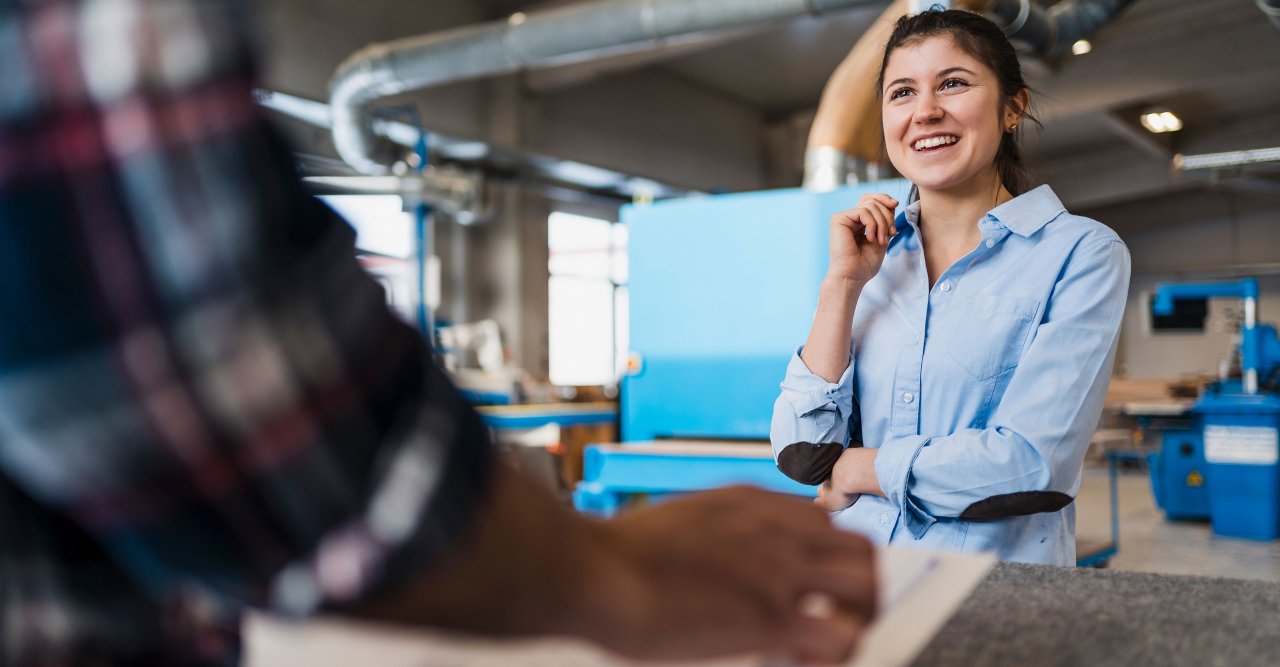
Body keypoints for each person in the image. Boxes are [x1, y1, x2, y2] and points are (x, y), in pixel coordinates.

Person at [0, 1, 876, 664]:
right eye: (902, 90)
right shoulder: (860, 264)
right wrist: (605, 575)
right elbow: (156, 315)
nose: (922, 115)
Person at [771, 8, 1131, 566]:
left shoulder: (1081, 253)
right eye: (902, 93)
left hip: (993, 596)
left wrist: (859, 468)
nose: (926, 112)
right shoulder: (872, 260)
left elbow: (1031, 467)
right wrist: (842, 285)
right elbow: (801, 453)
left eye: (954, 83)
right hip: (858, 581)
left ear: (1013, 107)